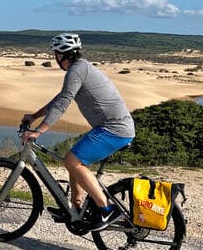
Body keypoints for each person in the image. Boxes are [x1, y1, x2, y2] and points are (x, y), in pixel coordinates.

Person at [21, 33, 135, 230]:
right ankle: (76, 208)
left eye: (55, 53)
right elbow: (60, 98)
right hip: (110, 127)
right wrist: (34, 116)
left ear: (61, 54)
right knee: (74, 159)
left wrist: (39, 131)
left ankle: (106, 210)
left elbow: (63, 103)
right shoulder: (80, 68)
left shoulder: (77, 70)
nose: (55, 57)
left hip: (114, 129)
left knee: (72, 161)